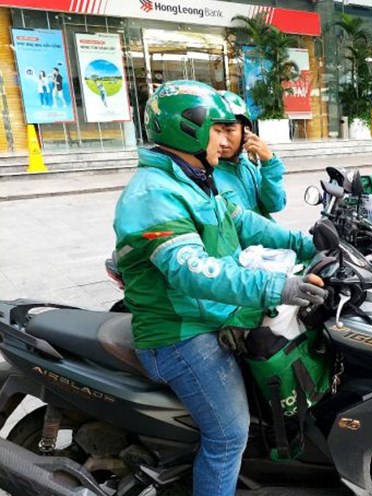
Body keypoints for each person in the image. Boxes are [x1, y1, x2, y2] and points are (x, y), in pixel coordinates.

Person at [113, 80, 321, 496]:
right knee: (228, 437)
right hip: (180, 333)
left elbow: (243, 220)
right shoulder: (154, 193)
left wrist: (309, 242)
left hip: (209, 314)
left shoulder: (193, 179)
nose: (226, 140)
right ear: (188, 129)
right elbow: (192, 271)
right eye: (218, 129)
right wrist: (277, 285)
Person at [215, 91, 286, 220]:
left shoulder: (247, 166)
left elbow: (275, 205)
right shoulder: (205, 175)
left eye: (229, 131)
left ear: (245, 132)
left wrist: (269, 163)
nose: (222, 141)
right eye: (216, 131)